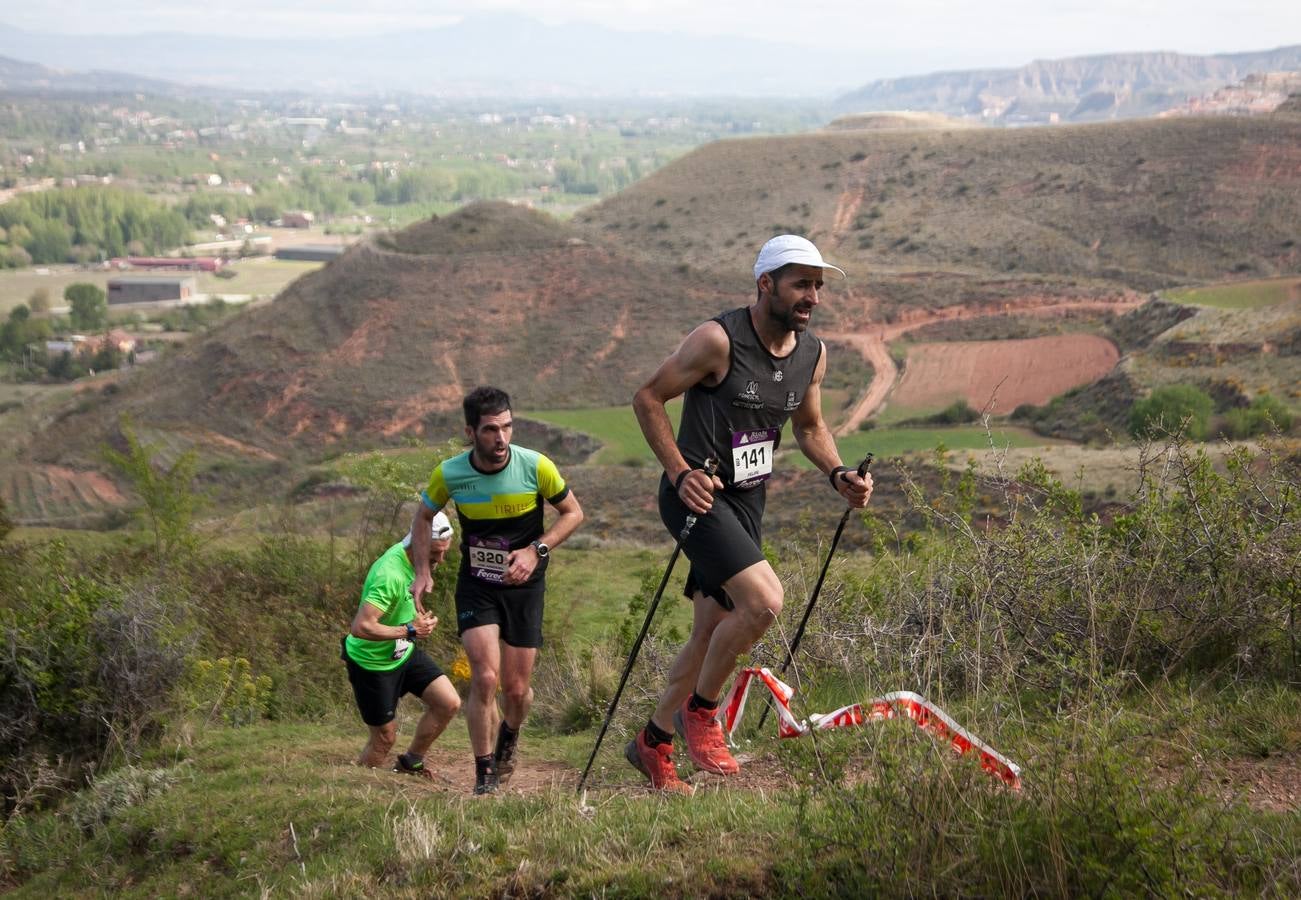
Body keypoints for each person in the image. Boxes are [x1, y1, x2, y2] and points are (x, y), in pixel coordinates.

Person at [626, 234, 874, 793]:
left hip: (747, 499)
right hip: (697, 495)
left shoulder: (813, 354)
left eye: (818, 286)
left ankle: (653, 742)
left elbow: (810, 427)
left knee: (711, 632)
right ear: (766, 284)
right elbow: (647, 398)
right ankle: (702, 713)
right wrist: (679, 472)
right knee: (764, 603)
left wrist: (838, 473)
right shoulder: (718, 340)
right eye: (801, 284)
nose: (812, 297)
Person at [409, 386, 584, 795]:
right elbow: (422, 517)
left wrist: (536, 550)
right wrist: (422, 570)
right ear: (470, 432)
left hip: (525, 585)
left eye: (507, 427)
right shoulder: (450, 473)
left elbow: (573, 513)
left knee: (517, 691)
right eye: (490, 430)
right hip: (478, 583)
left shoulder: (535, 466)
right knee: (485, 678)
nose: (501, 438)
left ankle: (510, 734)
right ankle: (484, 771)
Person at [342, 511, 461, 780]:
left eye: (444, 552)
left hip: (402, 652)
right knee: (384, 740)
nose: (440, 560)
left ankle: (411, 762)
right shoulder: (389, 574)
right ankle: (355, 787)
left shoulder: (413, 558)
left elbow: (403, 599)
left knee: (448, 703)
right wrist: (409, 629)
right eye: (435, 553)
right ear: (418, 543)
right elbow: (361, 627)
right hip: (371, 663)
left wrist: (417, 618)